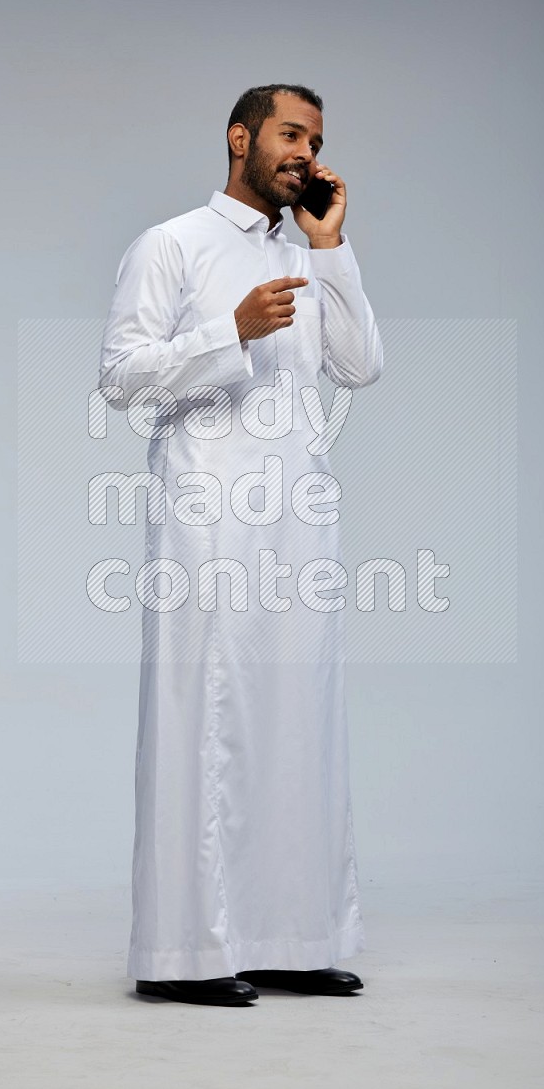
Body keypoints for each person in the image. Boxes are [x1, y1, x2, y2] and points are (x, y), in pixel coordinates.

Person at [98, 84, 383, 1006]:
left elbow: (360, 365)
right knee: (202, 720)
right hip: (207, 516)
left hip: (297, 520)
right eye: (290, 134)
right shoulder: (172, 243)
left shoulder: (308, 252)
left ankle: (291, 938)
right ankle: (182, 954)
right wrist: (232, 330)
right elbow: (120, 376)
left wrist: (332, 244)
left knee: (300, 719)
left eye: (317, 141)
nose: (304, 152)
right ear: (240, 137)